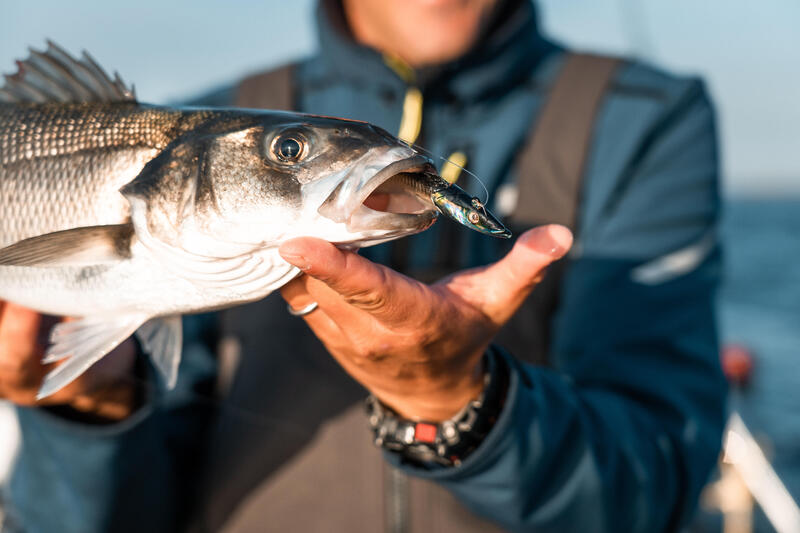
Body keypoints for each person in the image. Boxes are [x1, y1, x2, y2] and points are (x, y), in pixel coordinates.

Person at [0, 0, 727, 531]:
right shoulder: (213, 112)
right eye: (288, 153)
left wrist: (455, 402)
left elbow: (655, 485)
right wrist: (90, 406)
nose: (292, 155)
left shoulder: (645, 118)